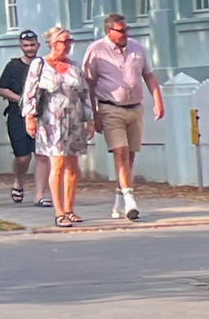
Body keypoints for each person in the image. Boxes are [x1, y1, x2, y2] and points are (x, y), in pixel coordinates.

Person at [80, 12, 164, 221]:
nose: (126, 34)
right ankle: (130, 200)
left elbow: (148, 75)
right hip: (110, 107)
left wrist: (157, 100)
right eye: (122, 30)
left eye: (127, 29)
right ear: (109, 32)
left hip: (135, 107)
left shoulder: (136, 47)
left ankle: (119, 200)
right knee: (120, 152)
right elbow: (89, 84)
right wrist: (93, 114)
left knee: (130, 155)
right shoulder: (96, 50)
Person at [24, 26, 94, 227]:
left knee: (72, 164)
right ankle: (59, 210)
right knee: (57, 164)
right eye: (65, 41)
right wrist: (29, 117)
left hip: (74, 119)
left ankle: (70, 208)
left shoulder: (74, 66)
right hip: (51, 121)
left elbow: (84, 94)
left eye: (70, 41)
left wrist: (90, 120)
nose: (68, 45)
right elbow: (29, 93)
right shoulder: (40, 65)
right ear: (53, 44)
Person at [0, 31, 44, 206]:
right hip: (18, 115)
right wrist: (21, 99)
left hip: (42, 115)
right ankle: (19, 181)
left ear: (38, 45)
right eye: (26, 45)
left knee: (41, 155)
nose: (29, 48)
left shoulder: (44, 65)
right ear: (20, 47)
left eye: (32, 45)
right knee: (23, 157)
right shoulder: (13, 66)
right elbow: (2, 89)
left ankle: (40, 195)